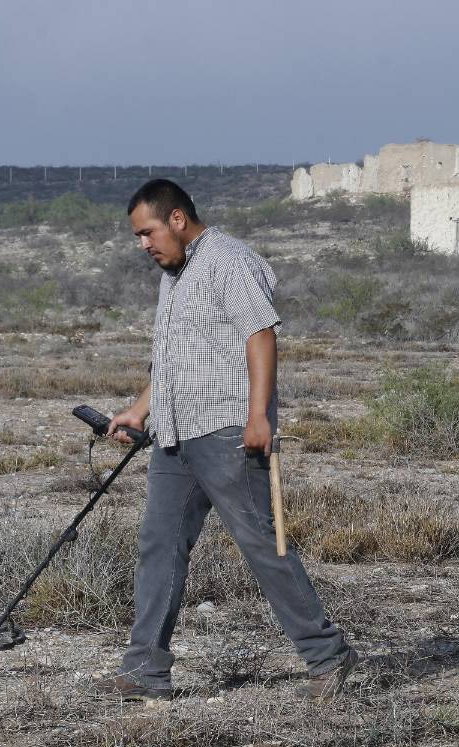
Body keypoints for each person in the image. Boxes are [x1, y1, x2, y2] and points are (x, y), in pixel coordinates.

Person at [97, 179, 356, 701]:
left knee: (262, 543)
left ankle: (329, 657)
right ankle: (145, 670)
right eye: (137, 236)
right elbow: (175, 357)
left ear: (176, 219)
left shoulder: (228, 259)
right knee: (159, 544)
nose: (143, 245)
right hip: (176, 432)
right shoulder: (174, 273)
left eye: (147, 232)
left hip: (227, 430)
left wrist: (258, 415)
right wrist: (140, 410)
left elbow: (260, 333)